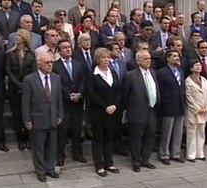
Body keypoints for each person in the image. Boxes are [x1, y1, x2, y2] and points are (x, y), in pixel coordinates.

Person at [22, 53, 63, 182]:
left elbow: (58, 99)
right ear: (39, 64)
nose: (50, 65)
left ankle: (50, 168)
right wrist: (27, 120)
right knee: (38, 147)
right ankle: (40, 170)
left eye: (51, 62)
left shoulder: (56, 78)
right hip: (37, 118)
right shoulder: (29, 80)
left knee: (52, 145)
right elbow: (25, 102)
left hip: (52, 117)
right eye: (47, 63)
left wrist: (60, 114)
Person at [87, 48, 122, 177]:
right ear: (98, 59)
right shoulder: (93, 74)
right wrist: (105, 106)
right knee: (98, 138)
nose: (106, 60)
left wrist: (115, 105)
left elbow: (118, 90)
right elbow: (91, 94)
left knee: (109, 137)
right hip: (98, 112)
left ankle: (109, 163)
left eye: (108, 57)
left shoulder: (112, 72)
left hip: (113, 111)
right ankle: (99, 165)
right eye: (103, 58)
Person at [123, 50, 160, 172]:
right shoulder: (131, 75)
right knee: (136, 138)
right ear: (138, 61)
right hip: (137, 111)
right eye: (145, 59)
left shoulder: (153, 73)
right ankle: (136, 161)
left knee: (150, 136)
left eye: (149, 58)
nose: (148, 61)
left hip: (151, 110)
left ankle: (145, 159)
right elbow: (125, 95)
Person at [53, 39, 87, 166]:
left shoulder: (78, 64)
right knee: (62, 130)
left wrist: (80, 94)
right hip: (64, 103)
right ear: (59, 51)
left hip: (78, 102)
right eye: (64, 48)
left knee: (77, 129)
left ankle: (78, 154)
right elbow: (58, 83)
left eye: (69, 47)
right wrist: (69, 96)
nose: (68, 49)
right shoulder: (55, 65)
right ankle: (60, 156)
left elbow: (83, 80)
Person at [5, 28, 36, 151]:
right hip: (14, 87)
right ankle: (20, 139)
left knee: (27, 113)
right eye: (16, 35)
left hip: (28, 88)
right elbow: (8, 70)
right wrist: (18, 84)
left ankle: (28, 138)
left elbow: (33, 70)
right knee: (16, 114)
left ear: (24, 38)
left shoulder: (31, 54)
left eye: (19, 35)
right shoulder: (9, 53)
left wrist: (26, 85)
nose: (16, 37)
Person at [157, 50, 186, 165]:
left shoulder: (180, 70)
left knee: (178, 131)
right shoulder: (162, 72)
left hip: (180, 104)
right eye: (174, 56)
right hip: (168, 106)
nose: (177, 58)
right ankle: (164, 154)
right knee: (167, 131)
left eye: (178, 56)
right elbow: (161, 90)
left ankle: (176, 153)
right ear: (168, 58)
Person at [185, 60, 207, 162]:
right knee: (191, 132)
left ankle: (200, 153)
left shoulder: (204, 80)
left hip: (204, 110)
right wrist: (197, 108)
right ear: (191, 68)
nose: (198, 67)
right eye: (196, 65)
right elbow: (188, 97)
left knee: (201, 132)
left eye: (200, 65)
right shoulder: (188, 81)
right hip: (193, 110)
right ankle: (191, 155)